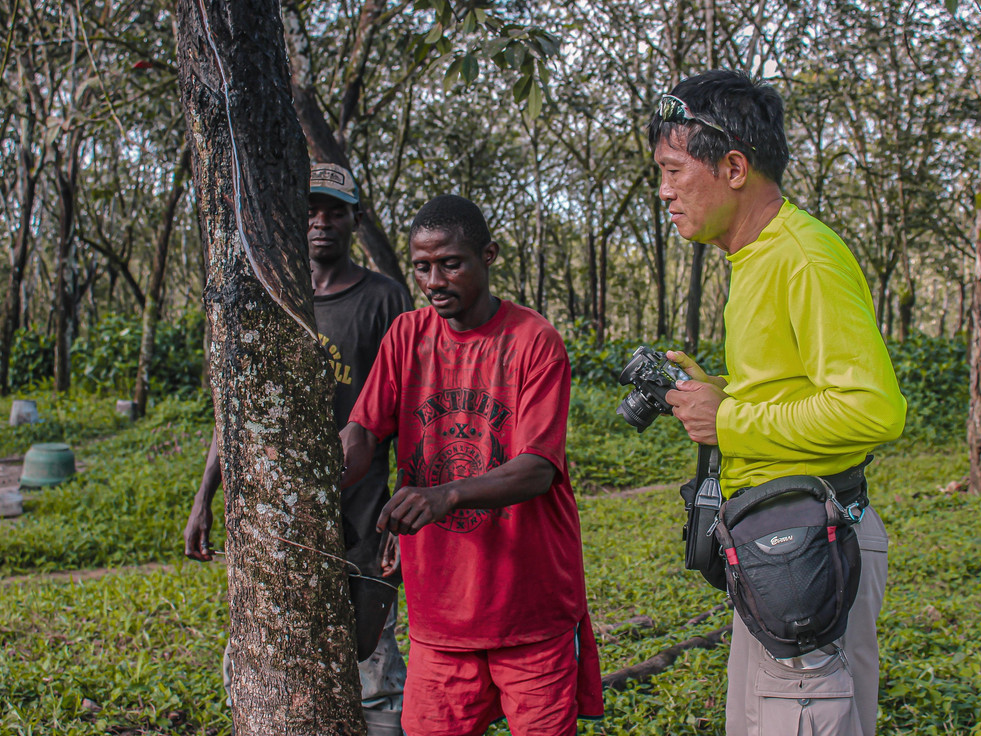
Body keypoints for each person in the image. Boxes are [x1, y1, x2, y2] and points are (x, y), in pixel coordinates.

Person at [648, 71, 906, 736]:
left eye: (674, 171)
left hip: (809, 549)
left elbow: (872, 409)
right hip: (778, 548)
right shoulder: (755, 258)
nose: (664, 191)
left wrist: (729, 419)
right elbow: (796, 390)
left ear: (734, 168)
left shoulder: (803, 257)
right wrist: (721, 395)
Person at [339, 194, 603, 736]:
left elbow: (538, 467)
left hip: (530, 611)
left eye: (450, 264)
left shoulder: (533, 341)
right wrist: (320, 480)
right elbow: (363, 431)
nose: (434, 281)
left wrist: (446, 495)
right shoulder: (406, 336)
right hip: (439, 617)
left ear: (488, 255)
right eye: (422, 267)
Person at [183, 162, 412, 735]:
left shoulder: (385, 299)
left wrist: (403, 507)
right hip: (277, 518)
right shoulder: (269, 298)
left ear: (355, 220)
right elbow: (238, 410)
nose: (321, 223)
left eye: (335, 211)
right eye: (310, 211)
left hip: (364, 514)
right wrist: (204, 497)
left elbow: (412, 409)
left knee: (374, 666)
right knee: (263, 657)